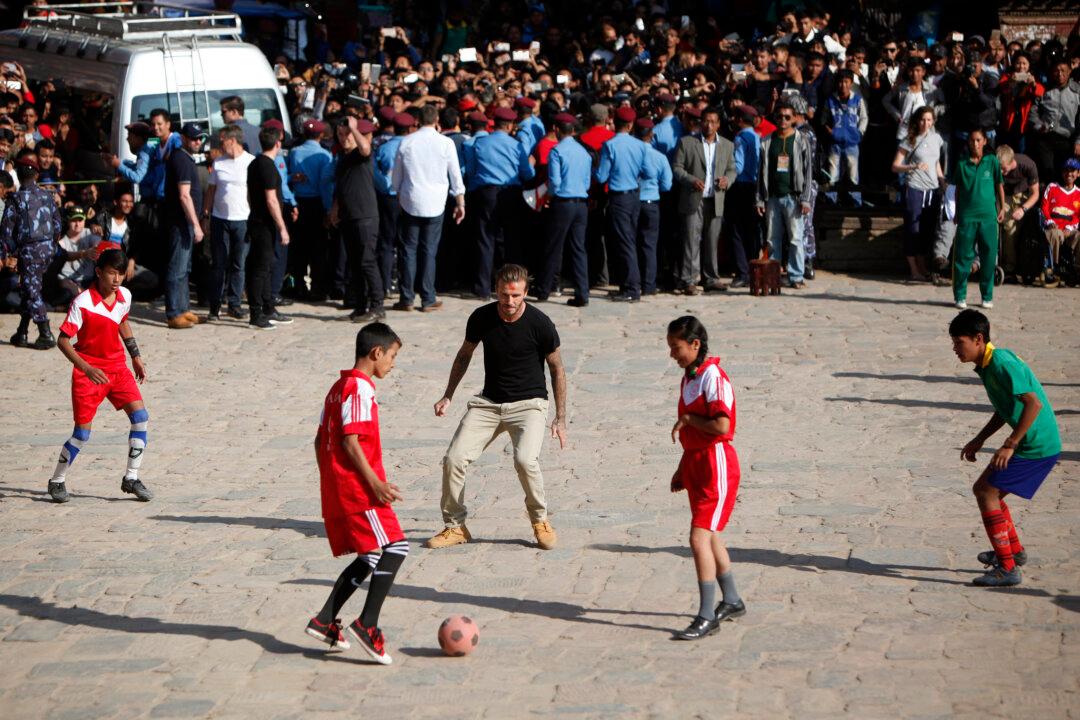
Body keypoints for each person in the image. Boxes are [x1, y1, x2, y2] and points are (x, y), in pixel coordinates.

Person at [426, 264, 566, 550]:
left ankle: (540, 520)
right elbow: (464, 356)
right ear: (496, 291)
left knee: (526, 460)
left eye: (516, 296)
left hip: (529, 405)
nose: (510, 302)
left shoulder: (540, 323)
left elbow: (557, 369)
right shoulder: (481, 317)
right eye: (504, 295)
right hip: (488, 404)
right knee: (453, 458)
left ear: (526, 293)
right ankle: (455, 526)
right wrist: (447, 395)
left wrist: (560, 417)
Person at [307, 322, 408, 665]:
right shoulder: (360, 388)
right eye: (392, 356)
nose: (393, 363)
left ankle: (324, 622)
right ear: (376, 353)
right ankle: (367, 625)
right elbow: (350, 440)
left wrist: (330, 483)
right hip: (360, 488)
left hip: (342, 486)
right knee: (396, 547)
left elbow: (320, 441)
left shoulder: (336, 387)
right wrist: (374, 484)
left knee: (370, 556)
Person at [950, 309, 1061, 587]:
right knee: (988, 491)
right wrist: (981, 439)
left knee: (987, 492)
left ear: (978, 339)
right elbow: (1005, 408)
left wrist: (1010, 444)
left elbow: (1033, 404)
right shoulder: (989, 364)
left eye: (958, 342)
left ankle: (1008, 568)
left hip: (1035, 445)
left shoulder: (1000, 364)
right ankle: (1012, 551)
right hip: (1033, 441)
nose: (955, 349)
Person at [48, 248, 152, 504]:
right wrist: (86, 368)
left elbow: (122, 321)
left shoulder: (124, 295)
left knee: (140, 418)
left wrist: (135, 355)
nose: (117, 280)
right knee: (82, 434)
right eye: (112, 274)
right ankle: (57, 480)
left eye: (121, 274)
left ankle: (131, 477)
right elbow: (63, 341)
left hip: (117, 369)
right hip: (89, 373)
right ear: (98, 272)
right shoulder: (82, 303)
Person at [666, 315, 744, 640]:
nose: (672, 354)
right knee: (710, 537)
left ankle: (706, 614)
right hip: (697, 465)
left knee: (698, 538)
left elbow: (722, 427)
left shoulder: (713, 377)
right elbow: (693, 429)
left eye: (676, 347)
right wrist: (682, 468)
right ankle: (733, 600)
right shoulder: (690, 376)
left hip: (716, 467)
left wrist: (688, 419)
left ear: (695, 344)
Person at [390, 104, 465, 311]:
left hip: (410, 200)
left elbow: (396, 177)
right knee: (429, 250)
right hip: (435, 202)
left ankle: (406, 297)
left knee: (408, 250)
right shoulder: (445, 143)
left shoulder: (407, 142)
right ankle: (427, 296)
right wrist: (460, 201)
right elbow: (455, 175)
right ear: (437, 120)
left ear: (417, 120)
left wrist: (398, 192)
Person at [466, 107, 535, 299]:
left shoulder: (480, 144)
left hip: (486, 193)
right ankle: (515, 285)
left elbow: (471, 172)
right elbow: (527, 174)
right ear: (510, 125)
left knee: (485, 240)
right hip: (511, 193)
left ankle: (482, 287)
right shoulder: (516, 146)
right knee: (512, 240)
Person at [1, 155, 62, 349]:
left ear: (18, 174)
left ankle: (45, 332)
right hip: (47, 249)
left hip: (29, 250)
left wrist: (7, 251)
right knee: (30, 287)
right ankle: (22, 331)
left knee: (32, 290)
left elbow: (6, 231)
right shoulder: (47, 196)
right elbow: (58, 225)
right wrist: (51, 245)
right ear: (36, 175)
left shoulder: (16, 199)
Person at [330, 117, 383, 322]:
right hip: (348, 216)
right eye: (341, 135)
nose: (344, 139)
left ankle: (377, 306)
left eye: (348, 135)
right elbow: (341, 187)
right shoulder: (342, 159)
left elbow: (366, 148)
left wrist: (354, 128)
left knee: (367, 261)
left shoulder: (361, 155)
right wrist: (335, 209)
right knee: (354, 264)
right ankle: (360, 306)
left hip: (365, 216)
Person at [756, 101, 814, 289]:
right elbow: (761, 172)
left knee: (795, 238)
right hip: (772, 195)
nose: (783, 120)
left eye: (788, 117)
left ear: (795, 118)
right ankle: (774, 275)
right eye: (780, 116)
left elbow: (808, 171)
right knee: (772, 239)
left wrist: (805, 198)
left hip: (793, 196)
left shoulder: (800, 139)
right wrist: (759, 198)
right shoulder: (767, 141)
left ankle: (796, 275)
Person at [595, 106, 648, 302]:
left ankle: (632, 288)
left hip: (619, 197)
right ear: (631, 124)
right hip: (634, 194)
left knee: (623, 243)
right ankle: (627, 284)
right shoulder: (639, 145)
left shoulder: (610, 145)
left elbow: (601, 176)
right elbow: (646, 170)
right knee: (629, 240)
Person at [539, 113, 591, 306]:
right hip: (581, 203)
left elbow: (555, 182)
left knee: (553, 246)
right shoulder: (583, 152)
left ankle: (544, 289)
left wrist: (549, 198)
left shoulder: (556, 151)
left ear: (556, 130)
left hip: (563, 202)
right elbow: (586, 182)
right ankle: (582, 293)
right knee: (578, 248)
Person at [203, 125, 254, 321]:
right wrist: (206, 215)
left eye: (222, 140)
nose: (219, 144)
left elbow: (252, 192)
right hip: (219, 219)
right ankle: (214, 307)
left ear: (232, 140)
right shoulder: (218, 163)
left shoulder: (250, 162)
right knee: (218, 264)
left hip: (242, 219)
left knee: (238, 264)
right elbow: (211, 190)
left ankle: (234, 304)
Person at [951, 129, 1005, 309]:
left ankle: (987, 296)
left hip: (988, 217)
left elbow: (999, 185)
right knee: (962, 257)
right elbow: (957, 190)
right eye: (972, 140)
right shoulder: (961, 164)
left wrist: (1002, 207)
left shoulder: (992, 162)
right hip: (967, 216)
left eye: (978, 140)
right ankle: (960, 296)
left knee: (989, 257)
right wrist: (957, 211)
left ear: (984, 141)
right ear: (968, 142)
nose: (975, 143)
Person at [892, 107, 946, 282]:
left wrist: (942, 180)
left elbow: (935, 161)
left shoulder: (937, 139)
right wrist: (912, 167)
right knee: (912, 229)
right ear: (917, 120)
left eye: (929, 120)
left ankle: (923, 267)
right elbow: (895, 165)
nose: (926, 123)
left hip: (932, 189)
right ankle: (913, 269)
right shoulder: (910, 140)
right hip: (914, 187)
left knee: (926, 230)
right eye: (923, 119)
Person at [246, 128, 292, 329]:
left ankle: (268, 308)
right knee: (260, 269)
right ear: (278, 144)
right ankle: (256, 313)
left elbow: (249, 194)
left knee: (264, 267)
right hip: (264, 224)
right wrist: (282, 227)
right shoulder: (267, 167)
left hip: (257, 220)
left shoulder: (254, 164)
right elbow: (271, 199)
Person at [162, 123, 207, 329]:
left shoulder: (185, 158)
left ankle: (183, 308)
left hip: (185, 222)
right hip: (180, 222)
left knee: (184, 268)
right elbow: (184, 195)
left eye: (200, 138)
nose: (198, 142)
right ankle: (173, 313)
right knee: (177, 267)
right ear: (183, 138)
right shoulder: (181, 159)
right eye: (194, 138)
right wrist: (196, 225)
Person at [287, 118, 333, 300]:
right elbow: (325, 185)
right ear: (321, 135)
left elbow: (289, 176)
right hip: (317, 203)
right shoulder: (324, 155)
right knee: (318, 248)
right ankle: (317, 287)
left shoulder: (294, 153)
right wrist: (328, 209)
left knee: (299, 246)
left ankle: (299, 285)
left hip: (299, 202)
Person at [635, 117, 673, 296]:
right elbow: (667, 185)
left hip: (632, 201)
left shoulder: (631, 153)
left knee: (631, 244)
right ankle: (649, 284)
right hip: (652, 202)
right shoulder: (660, 157)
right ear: (651, 135)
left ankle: (632, 282)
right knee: (649, 245)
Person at [727, 105, 762, 289]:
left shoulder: (740, 138)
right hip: (755, 187)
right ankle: (754, 268)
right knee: (752, 231)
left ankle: (742, 272)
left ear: (740, 120)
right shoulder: (758, 137)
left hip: (741, 186)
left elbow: (738, 165)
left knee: (737, 231)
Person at [995, 145, 1041, 282]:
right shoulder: (998, 168)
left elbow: (1035, 193)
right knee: (1002, 225)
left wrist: (1023, 209)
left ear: (1011, 162)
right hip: (1004, 194)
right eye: (1000, 169)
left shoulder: (1027, 165)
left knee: (1016, 229)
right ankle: (1001, 266)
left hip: (1022, 195)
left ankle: (1015, 266)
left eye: (1004, 168)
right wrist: (1002, 207)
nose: (1002, 172)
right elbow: (999, 186)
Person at [1030, 60, 1080, 186]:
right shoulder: (1044, 89)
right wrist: (1039, 125)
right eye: (1056, 70)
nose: (1059, 74)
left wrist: (1078, 141)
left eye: (1063, 70)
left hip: (1067, 139)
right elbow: (1033, 112)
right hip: (1046, 137)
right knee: (1047, 173)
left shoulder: (1077, 91)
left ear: (1069, 71)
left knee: (1064, 174)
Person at [823, 69, 868, 207]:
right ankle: (831, 201)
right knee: (832, 174)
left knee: (853, 175)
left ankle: (856, 203)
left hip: (852, 143)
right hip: (835, 143)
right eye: (840, 82)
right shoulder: (830, 100)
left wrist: (859, 133)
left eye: (846, 82)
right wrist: (830, 132)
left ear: (851, 83)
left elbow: (864, 118)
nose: (843, 85)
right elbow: (824, 119)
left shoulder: (857, 99)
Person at [1038, 157, 1080, 287]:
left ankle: (1077, 270)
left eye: (1072, 170)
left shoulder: (1079, 193)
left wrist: (1069, 228)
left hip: (1069, 229)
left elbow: (1078, 217)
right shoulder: (1052, 187)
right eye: (1066, 170)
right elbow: (1043, 208)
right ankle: (1053, 269)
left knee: (1079, 235)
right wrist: (1050, 222)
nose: (1069, 174)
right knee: (1055, 233)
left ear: (1078, 173)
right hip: (1052, 228)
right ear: (1062, 173)